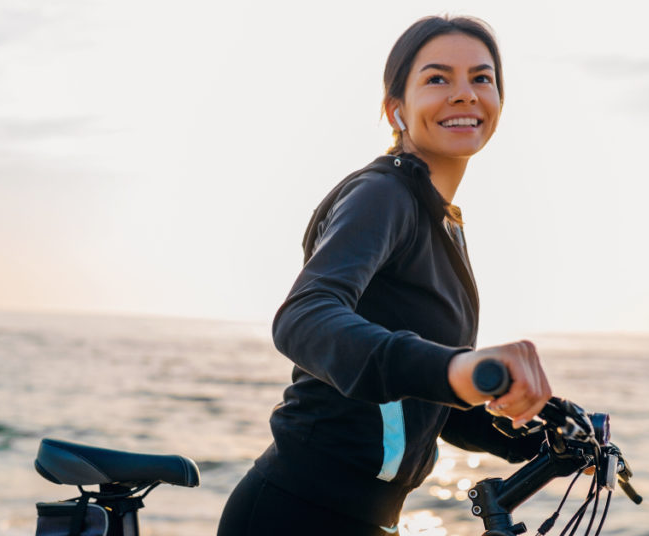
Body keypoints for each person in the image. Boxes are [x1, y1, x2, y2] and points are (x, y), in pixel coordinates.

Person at [217, 15, 553, 535]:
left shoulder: (440, 220)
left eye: (481, 78)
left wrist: (527, 430)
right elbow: (304, 316)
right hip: (298, 513)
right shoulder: (383, 194)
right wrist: (454, 369)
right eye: (438, 78)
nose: (464, 94)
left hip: (368, 518)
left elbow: (415, 392)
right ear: (396, 109)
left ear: (498, 104)